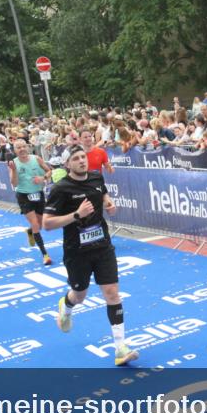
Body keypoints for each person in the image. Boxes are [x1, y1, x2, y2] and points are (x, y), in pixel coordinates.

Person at [44, 145, 138, 367]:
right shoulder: (61, 188)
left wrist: (109, 203)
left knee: (112, 293)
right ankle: (66, 306)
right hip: (77, 252)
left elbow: (102, 193)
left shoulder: (96, 177)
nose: (81, 161)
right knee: (79, 295)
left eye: (83, 157)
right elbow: (47, 223)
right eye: (76, 158)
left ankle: (120, 348)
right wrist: (77, 214)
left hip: (102, 246)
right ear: (67, 164)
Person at [8, 139, 52, 266]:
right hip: (24, 196)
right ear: (15, 150)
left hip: (38, 194)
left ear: (27, 147)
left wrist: (43, 178)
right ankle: (45, 254)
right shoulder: (13, 163)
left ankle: (30, 232)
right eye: (18, 148)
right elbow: (14, 183)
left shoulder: (36, 159)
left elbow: (50, 171)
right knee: (35, 224)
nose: (22, 149)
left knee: (40, 224)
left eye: (23, 146)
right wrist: (14, 170)